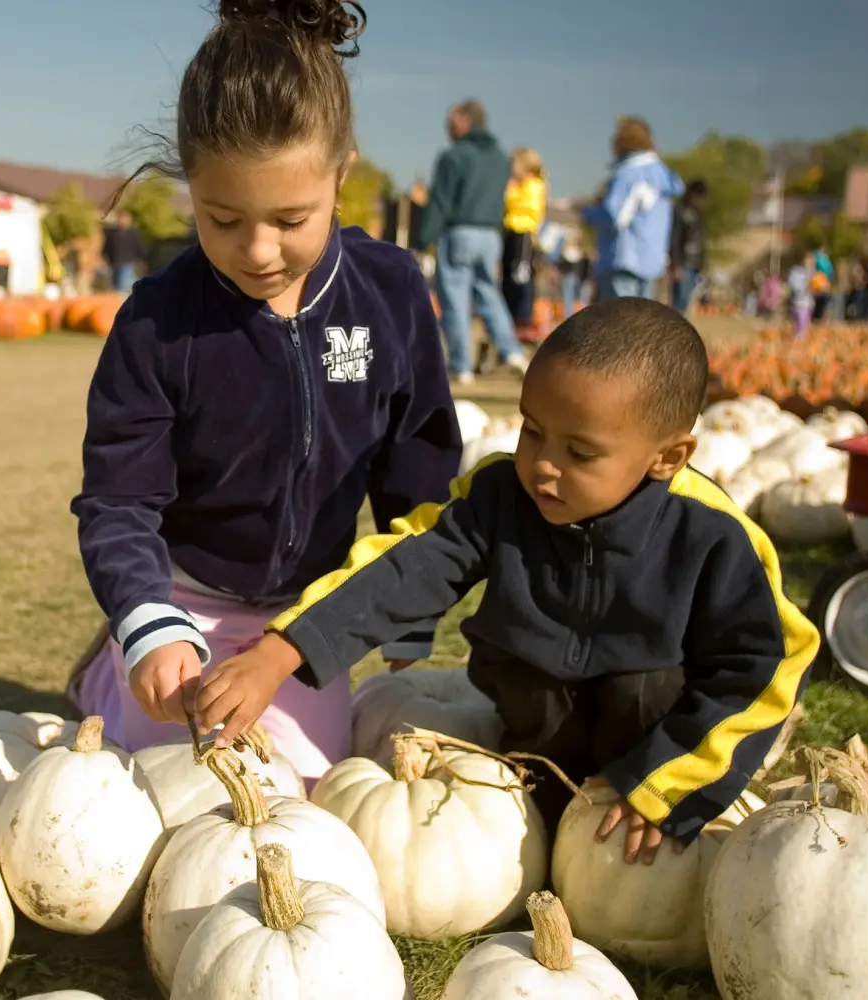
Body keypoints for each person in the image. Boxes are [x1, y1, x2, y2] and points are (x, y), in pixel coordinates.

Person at [193, 297, 818, 860]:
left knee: (646, 687)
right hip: (534, 733)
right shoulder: (498, 496)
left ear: (667, 457)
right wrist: (283, 650)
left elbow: (766, 664)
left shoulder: (713, 537)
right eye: (532, 431)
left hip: (654, 747)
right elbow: (403, 568)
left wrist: (668, 780)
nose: (543, 466)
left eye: (579, 453)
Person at [68, 0, 461, 781]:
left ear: (341, 174)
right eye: (222, 219)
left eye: (290, 219)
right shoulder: (156, 322)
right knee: (177, 782)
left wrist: (406, 609)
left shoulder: (390, 292)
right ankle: (112, 669)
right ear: (191, 187)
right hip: (187, 596)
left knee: (308, 783)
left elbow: (417, 461)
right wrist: (150, 621)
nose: (257, 250)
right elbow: (118, 500)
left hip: (310, 615)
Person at [416, 99, 527, 385]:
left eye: (451, 120)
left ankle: (461, 365)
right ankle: (511, 351)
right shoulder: (500, 157)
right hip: (490, 236)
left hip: (460, 233)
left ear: (466, 120)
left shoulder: (454, 156)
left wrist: (422, 239)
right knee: (488, 295)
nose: (447, 126)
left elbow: (440, 201)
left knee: (454, 300)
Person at [583, 116, 684, 302]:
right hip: (652, 260)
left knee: (620, 316)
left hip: (623, 259)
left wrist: (585, 212)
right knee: (641, 316)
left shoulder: (628, 173)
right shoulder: (661, 174)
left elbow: (614, 216)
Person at [502, 148, 548, 342]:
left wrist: (510, 190)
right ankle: (510, 316)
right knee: (508, 278)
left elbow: (522, 206)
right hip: (510, 233)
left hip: (523, 234)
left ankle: (523, 318)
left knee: (521, 275)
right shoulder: (518, 185)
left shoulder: (534, 185)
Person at [669, 180, 707, 314]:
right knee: (680, 302)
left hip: (694, 264)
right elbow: (674, 238)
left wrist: (702, 265)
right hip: (683, 263)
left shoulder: (697, 214)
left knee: (687, 301)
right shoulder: (679, 212)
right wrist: (676, 264)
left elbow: (700, 241)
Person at [103, 211, 144, 293]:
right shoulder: (112, 233)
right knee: (115, 285)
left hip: (127, 263)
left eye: (124, 219)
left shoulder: (133, 233)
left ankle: (123, 298)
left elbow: (138, 247)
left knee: (122, 286)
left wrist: (141, 259)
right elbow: (107, 247)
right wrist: (105, 257)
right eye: (120, 219)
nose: (122, 221)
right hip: (114, 263)